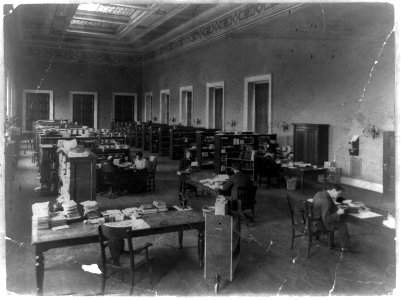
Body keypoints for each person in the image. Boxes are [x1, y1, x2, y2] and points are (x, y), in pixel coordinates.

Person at [312, 184, 350, 251]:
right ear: (333, 190)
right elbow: (326, 219)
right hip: (321, 224)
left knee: (339, 220)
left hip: (314, 221)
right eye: (338, 193)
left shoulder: (319, 193)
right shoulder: (327, 201)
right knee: (342, 224)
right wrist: (338, 213)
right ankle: (344, 247)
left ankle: (332, 244)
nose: (339, 195)